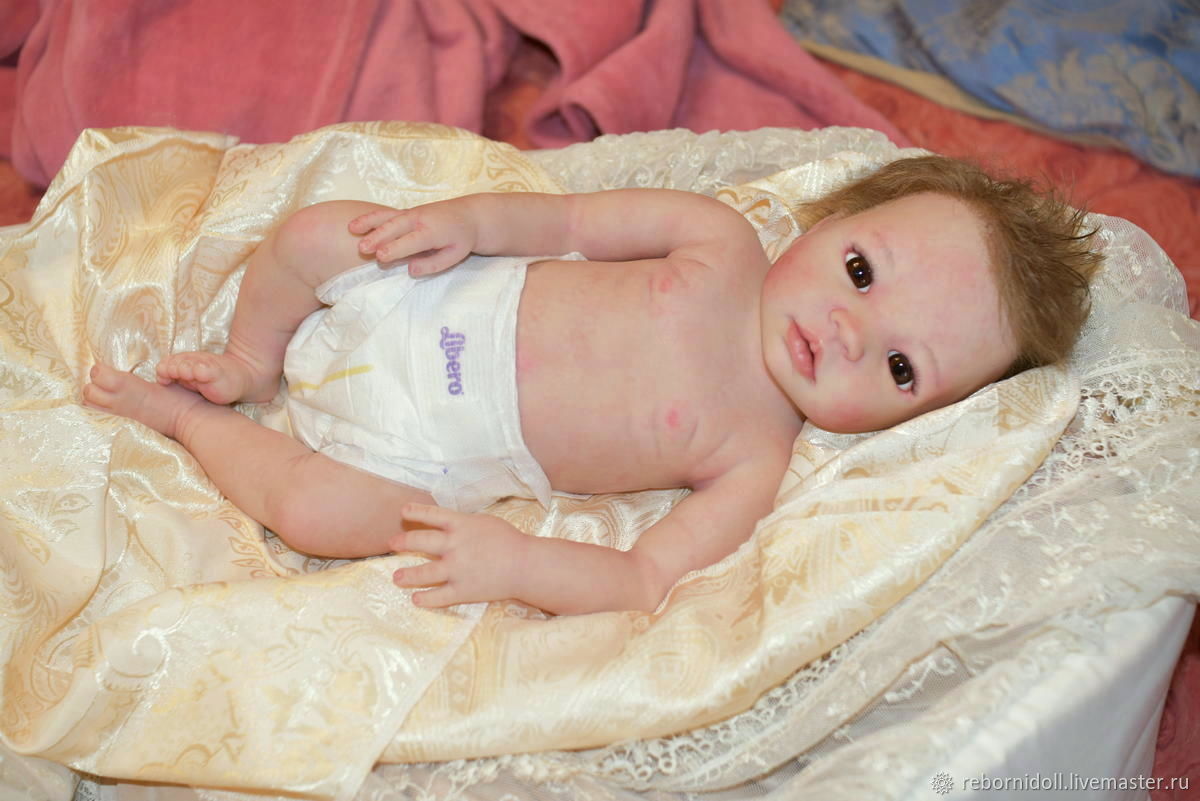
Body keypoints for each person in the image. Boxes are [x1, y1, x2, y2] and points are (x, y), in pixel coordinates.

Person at [81, 155, 1101, 615]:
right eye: (862, 272)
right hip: (419, 299)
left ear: (916, 419)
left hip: (419, 450)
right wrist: (470, 223)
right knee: (314, 235)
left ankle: (184, 419)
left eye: (900, 366)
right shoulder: (719, 240)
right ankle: (250, 359)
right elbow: (568, 221)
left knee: (315, 512)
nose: (848, 330)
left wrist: (518, 562)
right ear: (829, 221)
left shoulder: (753, 459)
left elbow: (645, 578)